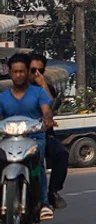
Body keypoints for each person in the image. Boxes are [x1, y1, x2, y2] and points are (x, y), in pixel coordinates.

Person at [0, 53, 55, 221]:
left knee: (37, 162)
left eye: (22, 71)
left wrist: (47, 119)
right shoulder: (2, 97)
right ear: (10, 72)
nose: (18, 75)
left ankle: (44, 203)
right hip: (9, 139)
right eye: (15, 71)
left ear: (26, 72)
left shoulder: (38, 93)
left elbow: (46, 109)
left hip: (34, 137)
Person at [29, 54, 68, 211]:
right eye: (33, 70)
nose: (36, 73)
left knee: (61, 153)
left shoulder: (46, 89)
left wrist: (43, 85)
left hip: (41, 136)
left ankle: (52, 192)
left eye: (40, 70)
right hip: (17, 136)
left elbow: (51, 107)